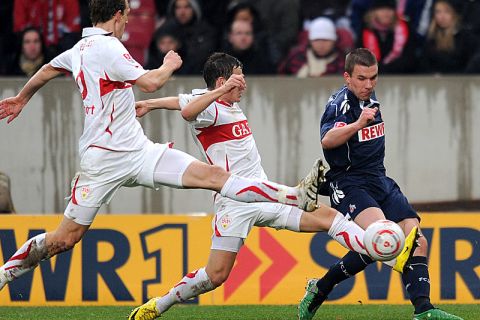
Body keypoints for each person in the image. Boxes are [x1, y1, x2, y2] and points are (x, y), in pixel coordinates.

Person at [0, 0, 322, 292]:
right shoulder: (109, 47)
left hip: (139, 152)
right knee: (65, 239)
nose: (127, 23)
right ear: (117, 16)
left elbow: (47, 69)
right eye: (127, 16)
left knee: (214, 176)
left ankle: (291, 195)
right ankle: (4, 275)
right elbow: (151, 82)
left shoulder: (80, 49)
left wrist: (22, 98)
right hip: (102, 161)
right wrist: (169, 63)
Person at [128, 52, 415, 320]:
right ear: (222, 81)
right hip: (235, 203)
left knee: (329, 218)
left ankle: (381, 249)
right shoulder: (211, 108)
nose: (245, 84)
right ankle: (160, 304)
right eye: (239, 78)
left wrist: (150, 104)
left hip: (264, 194)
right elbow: (188, 111)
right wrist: (217, 92)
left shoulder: (221, 102)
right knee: (216, 275)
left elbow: (181, 100)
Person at [297, 48, 463, 320]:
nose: (369, 84)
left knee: (417, 241)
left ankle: (424, 311)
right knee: (382, 236)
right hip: (350, 183)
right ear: (347, 77)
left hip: (379, 179)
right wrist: (358, 124)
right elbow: (327, 140)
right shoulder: (341, 103)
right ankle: (321, 287)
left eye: (373, 78)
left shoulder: (368, 96)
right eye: (362, 78)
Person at [418, 0, 478, 74]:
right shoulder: (431, 38)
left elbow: (470, 67)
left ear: (455, 14)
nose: (442, 17)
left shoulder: (467, 38)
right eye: (438, 12)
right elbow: (424, 65)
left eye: (447, 12)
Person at [357, 0, 417, 74]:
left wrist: (386, 69)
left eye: (389, 9)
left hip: (400, 77)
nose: (386, 13)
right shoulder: (365, 30)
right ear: (373, 12)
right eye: (381, 9)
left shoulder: (406, 29)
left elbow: (409, 59)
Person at [278, 17, 347, 77]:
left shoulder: (343, 60)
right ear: (310, 41)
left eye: (325, 40)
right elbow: (281, 77)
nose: (321, 44)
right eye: (316, 40)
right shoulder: (297, 56)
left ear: (334, 41)